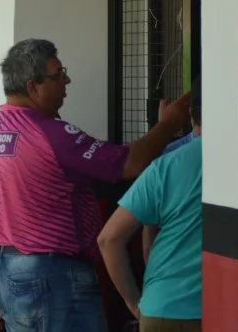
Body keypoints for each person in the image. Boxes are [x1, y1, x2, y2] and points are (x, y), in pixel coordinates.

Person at [0, 38, 190, 332]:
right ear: (32, 87)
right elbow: (130, 163)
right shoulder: (49, 134)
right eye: (58, 74)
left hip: (6, 268)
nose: (67, 80)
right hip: (52, 277)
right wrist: (168, 124)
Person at [98, 77, 203, 331]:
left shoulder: (166, 165)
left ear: (191, 117)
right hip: (235, 306)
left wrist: (135, 304)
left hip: (164, 309)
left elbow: (109, 239)